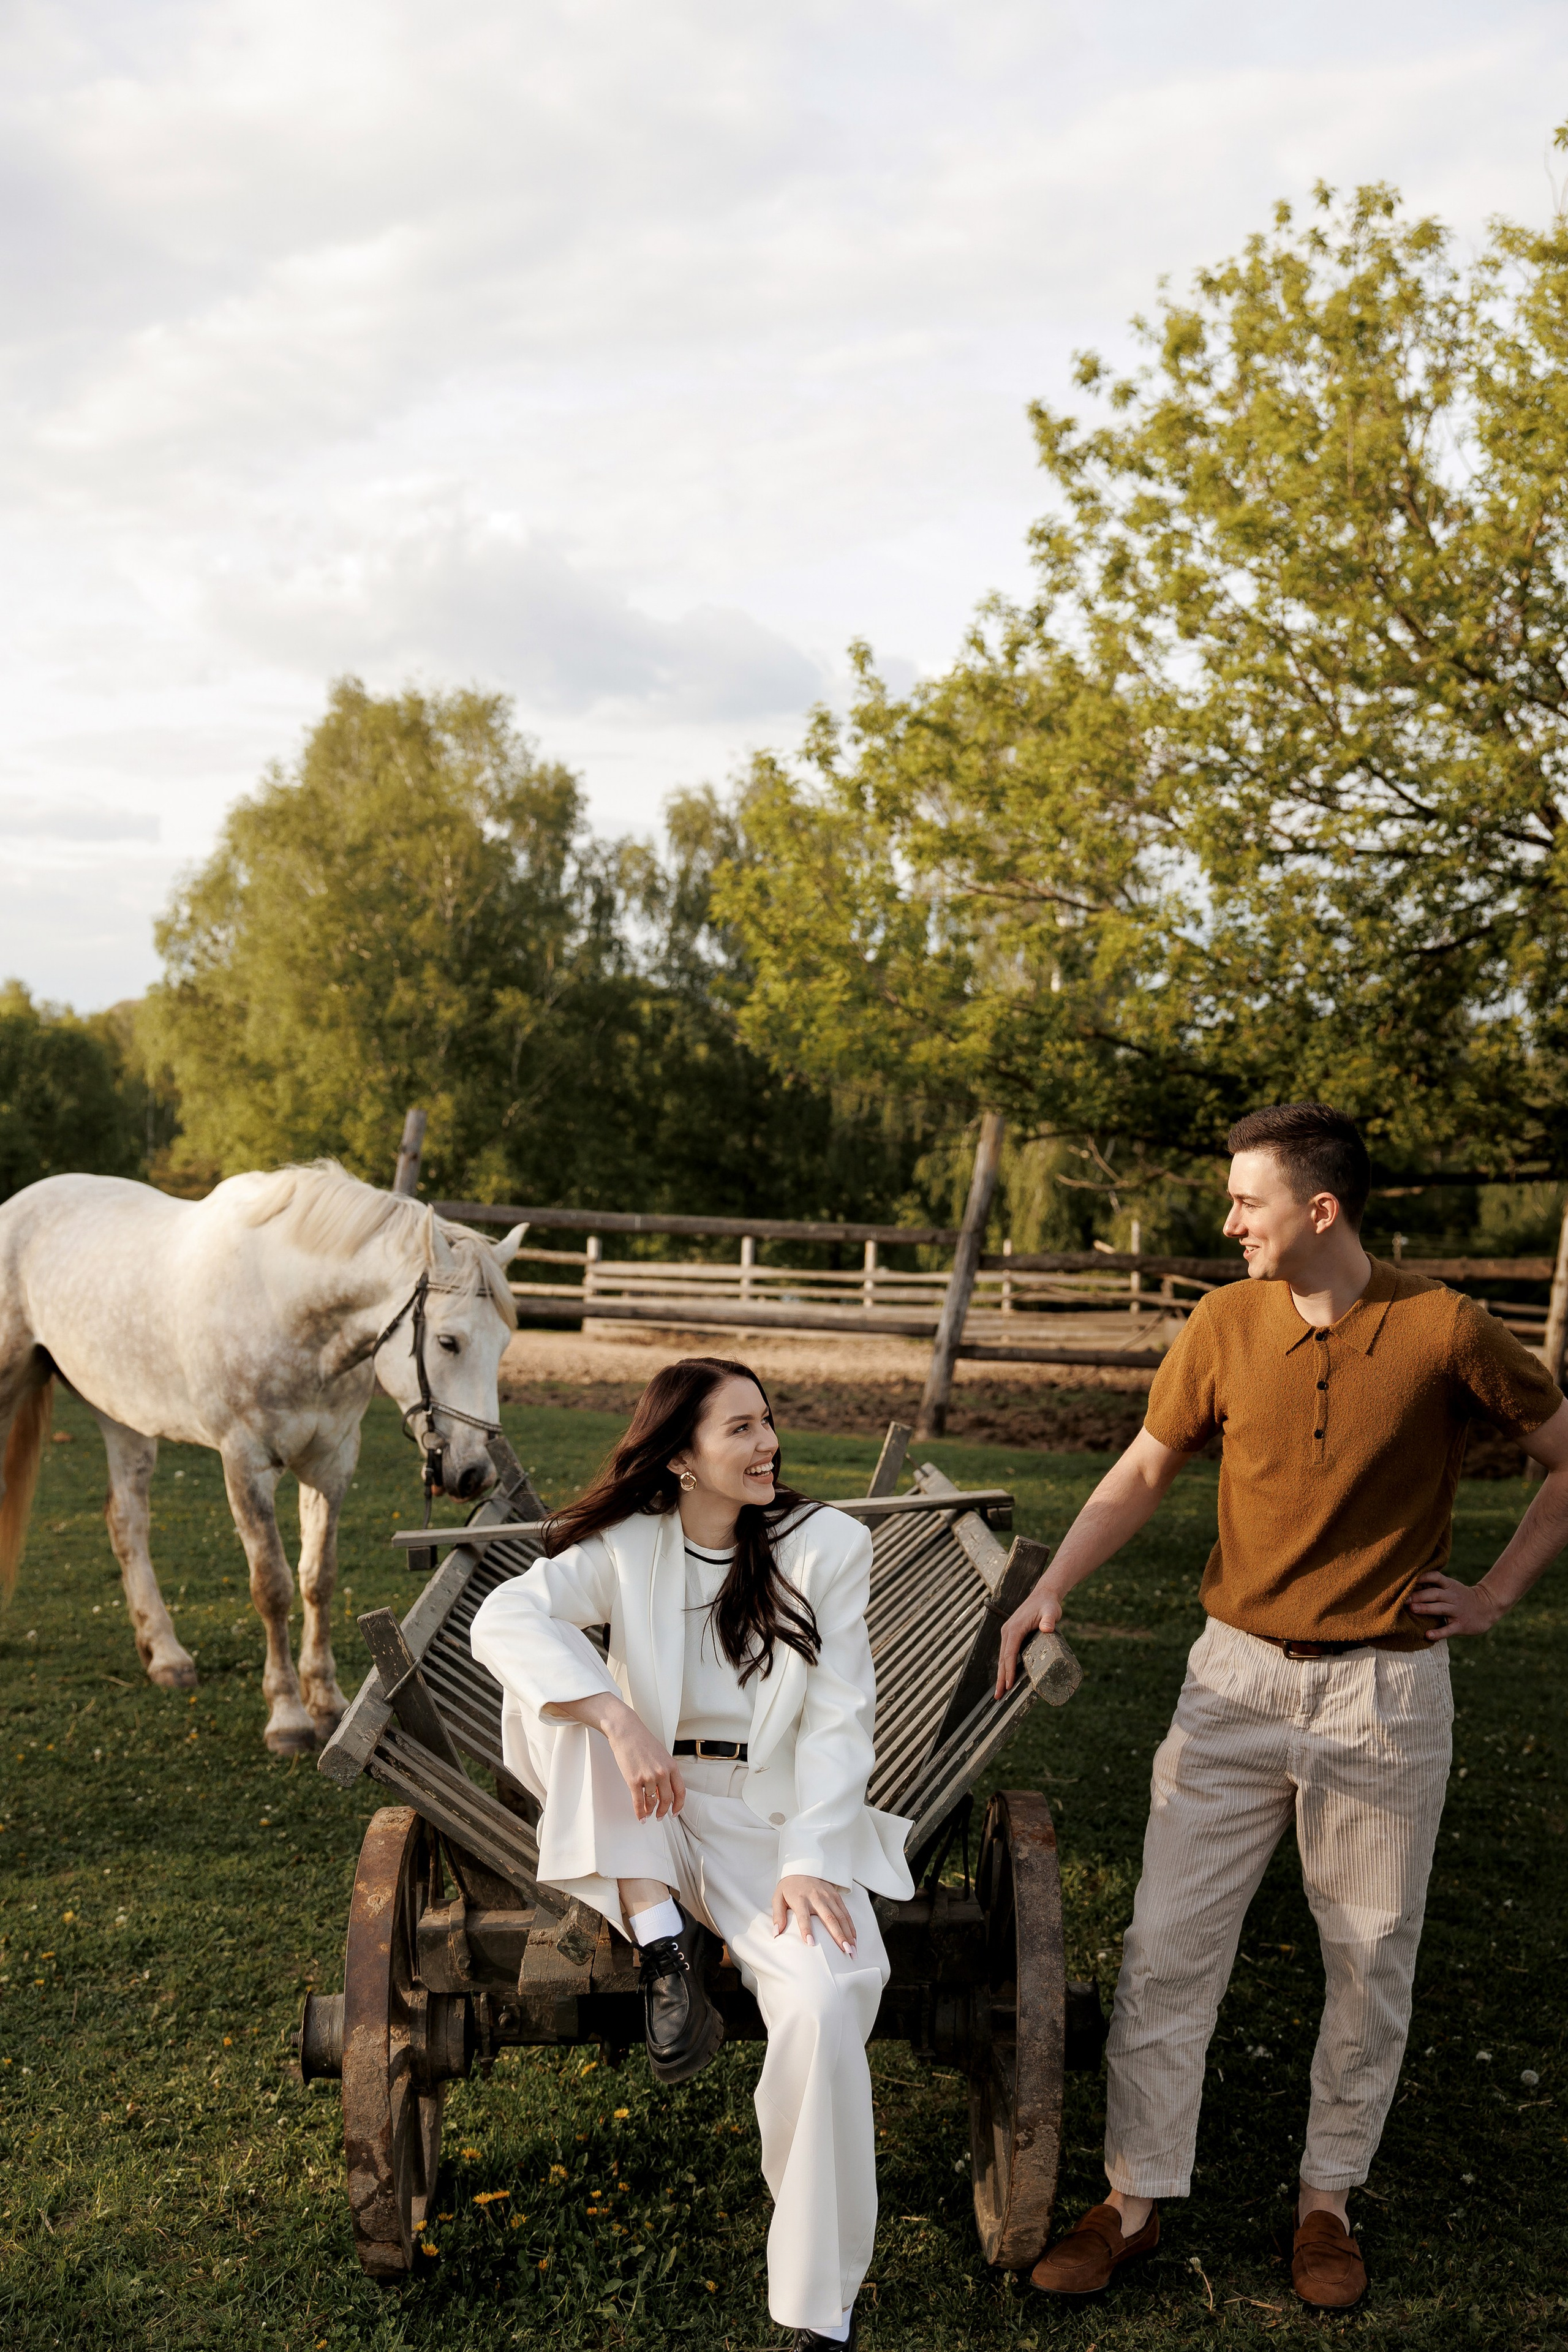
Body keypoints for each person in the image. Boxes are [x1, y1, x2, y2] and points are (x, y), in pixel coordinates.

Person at [997, 1102, 1568, 2313]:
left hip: (1382, 1695)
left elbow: (1565, 1453)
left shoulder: (1443, 1329)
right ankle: (1133, 2200)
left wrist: (1496, 1594)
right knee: (1164, 1947)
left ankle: (1324, 2204)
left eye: (1244, 1202)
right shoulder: (1219, 1321)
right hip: (1230, 1682)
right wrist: (1049, 1586)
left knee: (1366, 1960)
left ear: (1318, 1211)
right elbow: (1144, 1467)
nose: (1226, 1222)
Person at [469, 1355, 913, 2350]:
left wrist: (812, 1858)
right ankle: (663, 1945)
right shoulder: (631, 1544)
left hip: (772, 1820)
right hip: (649, 1809)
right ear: (679, 1459)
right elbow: (504, 1616)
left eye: (768, 1423)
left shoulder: (826, 1545)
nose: (770, 1446)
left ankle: (819, 2307)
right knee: (568, 1703)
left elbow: (842, 1719)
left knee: (830, 1995)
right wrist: (621, 1720)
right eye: (741, 1430)